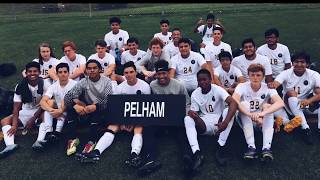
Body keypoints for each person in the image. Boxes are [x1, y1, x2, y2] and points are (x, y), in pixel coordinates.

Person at [80, 61, 150, 166]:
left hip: (138, 115)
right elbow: (117, 108)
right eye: (126, 73)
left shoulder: (144, 86)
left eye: (131, 72)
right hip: (124, 115)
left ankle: (134, 154)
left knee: (138, 127)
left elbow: (145, 108)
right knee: (112, 126)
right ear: (124, 74)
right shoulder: (120, 87)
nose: (129, 75)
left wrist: (133, 122)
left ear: (136, 72)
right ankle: (96, 152)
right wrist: (122, 122)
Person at [137, 60, 192, 176]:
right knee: (147, 129)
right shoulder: (152, 85)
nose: (161, 77)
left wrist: (185, 115)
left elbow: (187, 103)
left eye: (164, 73)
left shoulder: (178, 85)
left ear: (168, 73)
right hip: (160, 120)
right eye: (159, 74)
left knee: (182, 133)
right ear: (156, 74)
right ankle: (150, 159)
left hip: (175, 119)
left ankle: (187, 159)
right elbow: (151, 104)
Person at [184, 68, 238, 173]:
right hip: (205, 122)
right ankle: (196, 152)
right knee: (187, 118)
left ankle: (220, 146)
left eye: (205, 79)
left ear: (210, 79)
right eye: (200, 80)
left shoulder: (217, 89)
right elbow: (195, 113)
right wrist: (193, 115)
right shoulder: (195, 93)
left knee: (229, 111)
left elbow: (234, 103)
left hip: (220, 123)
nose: (202, 82)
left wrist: (225, 122)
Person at [232, 64, 284, 161]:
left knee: (267, 106)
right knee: (244, 104)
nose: (255, 78)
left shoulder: (268, 87)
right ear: (248, 75)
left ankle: (266, 148)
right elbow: (234, 100)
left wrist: (261, 114)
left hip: (262, 122)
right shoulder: (242, 86)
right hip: (246, 120)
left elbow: (280, 103)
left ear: (263, 76)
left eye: (258, 75)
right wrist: (250, 115)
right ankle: (251, 147)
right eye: (252, 75)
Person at [63, 59, 113, 156]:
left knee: (97, 112)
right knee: (70, 109)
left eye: (95, 68)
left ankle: (91, 141)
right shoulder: (83, 81)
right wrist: (75, 105)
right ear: (86, 71)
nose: (92, 70)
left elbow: (108, 100)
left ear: (100, 70)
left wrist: (96, 106)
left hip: (101, 110)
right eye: (89, 68)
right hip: (86, 109)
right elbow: (67, 97)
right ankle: (72, 140)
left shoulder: (107, 81)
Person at [0, 62, 50, 158]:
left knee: (46, 115)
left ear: (39, 72)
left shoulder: (45, 84)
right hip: (26, 110)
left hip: (41, 110)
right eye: (29, 71)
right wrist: (14, 125)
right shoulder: (20, 86)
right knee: (5, 121)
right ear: (26, 73)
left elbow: (45, 104)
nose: (32, 73)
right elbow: (16, 108)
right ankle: (10, 145)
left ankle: (39, 141)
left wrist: (33, 118)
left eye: (35, 71)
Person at [272, 51, 320, 145]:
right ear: (292, 63)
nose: (299, 64)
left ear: (307, 64)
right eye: (296, 62)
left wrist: (309, 100)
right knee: (290, 93)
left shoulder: (314, 75)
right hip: (289, 104)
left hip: (305, 104)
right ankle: (305, 128)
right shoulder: (286, 73)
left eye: (302, 62)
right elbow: (275, 84)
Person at [34, 63, 77, 151]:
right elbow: (42, 102)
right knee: (47, 107)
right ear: (57, 74)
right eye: (60, 72)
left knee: (63, 107)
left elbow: (73, 101)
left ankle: (57, 133)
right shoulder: (53, 86)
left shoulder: (75, 84)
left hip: (71, 111)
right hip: (58, 111)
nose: (63, 74)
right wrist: (52, 110)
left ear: (69, 73)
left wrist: (60, 111)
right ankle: (49, 133)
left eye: (65, 72)